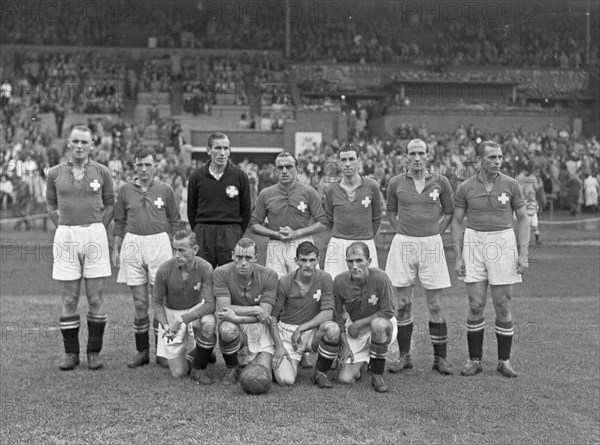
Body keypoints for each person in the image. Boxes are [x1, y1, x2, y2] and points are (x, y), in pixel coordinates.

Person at [452, 140, 529, 378]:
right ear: (479, 160)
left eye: (500, 157)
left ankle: (503, 361)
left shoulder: (511, 184)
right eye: (492, 158)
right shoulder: (465, 187)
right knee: (475, 304)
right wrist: (458, 256)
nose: (497, 161)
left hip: (503, 241)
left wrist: (523, 253)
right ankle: (474, 360)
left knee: (503, 304)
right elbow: (456, 222)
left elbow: (523, 219)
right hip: (474, 242)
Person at [46, 125, 115, 371]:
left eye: (84, 142)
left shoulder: (103, 172)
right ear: (68, 143)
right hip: (66, 235)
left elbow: (110, 205)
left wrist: (97, 228)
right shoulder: (54, 173)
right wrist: (64, 225)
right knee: (70, 297)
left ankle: (94, 353)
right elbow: (51, 204)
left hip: (94, 233)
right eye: (75, 141)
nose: (79, 146)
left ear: (91, 145)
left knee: (96, 298)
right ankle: (71, 353)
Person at [384, 138, 454, 375]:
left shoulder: (441, 181)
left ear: (428, 155)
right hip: (403, 244)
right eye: (411, 154)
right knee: (402, 304)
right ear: (405, 157)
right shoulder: (395, 183)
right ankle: (405, 357)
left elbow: (450, 211)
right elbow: (391, 211)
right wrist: (401, 230)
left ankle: (440, 359)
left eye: (420, 153)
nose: (416, 158)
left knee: (435, 304)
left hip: (431, 244)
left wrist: (436, 232)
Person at [112, 147, 183, 368]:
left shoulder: (166, 189)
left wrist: (177, 249)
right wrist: (116, 247)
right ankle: (142, 351)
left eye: (148, 165)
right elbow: (120, 221)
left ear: (155, 166)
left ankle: (162, 351)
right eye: (140, 165)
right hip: (133, 244)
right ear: (134, 166)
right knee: (140, 302)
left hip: (160, 244)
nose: (144, 169)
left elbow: (175, 220)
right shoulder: (125, 190)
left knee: (159, 301)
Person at [270, 242, 340, 388]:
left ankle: (320, 373)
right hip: (288, 335)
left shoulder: (325, 278)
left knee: (332, 329)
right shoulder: (284, 281)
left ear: (317, 260)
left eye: (312, 260)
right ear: (296, 261)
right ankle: (280, 360)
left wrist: (302, 328)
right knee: (286, 380)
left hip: (311, 331)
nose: (308, 265)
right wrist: (278, 346)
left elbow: (328, 313)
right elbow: (273, 317)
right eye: (303, 260)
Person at [250, 152, 328, 278]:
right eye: (280, 168)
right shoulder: (266, 194)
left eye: (289, 167)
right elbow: (254, 224)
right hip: (276, 244)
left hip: (302, 243)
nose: (284, 171)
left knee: (305, 283)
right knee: (276, 285)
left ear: (297, 169)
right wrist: (275, 234)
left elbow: (323, 223)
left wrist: (296, 233)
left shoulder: (308, 192)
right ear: (275, 171)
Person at [152, 230, 217, 382]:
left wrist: (182, 320)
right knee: (179, 373)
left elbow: (209, 304)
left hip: (196, 310)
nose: (176, 255)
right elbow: (156, 302)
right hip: (171, 313)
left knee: (208, 323)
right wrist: (166, 325)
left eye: (181, 250)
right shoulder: (164, 270)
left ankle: (199, 366)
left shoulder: (205, 267)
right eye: (174, 249)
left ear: (195, 250)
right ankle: (200, 353)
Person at [333, 242, 397, 393]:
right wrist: (345, 346)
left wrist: (359, 323)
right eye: (350, 261)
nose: (354, 266)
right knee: (345, 379)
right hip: (355, 330)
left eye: (359, 260)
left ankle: (377, 375)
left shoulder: (381, 278)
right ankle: (365, 362)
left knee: (378, 325)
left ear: (369, 261)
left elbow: (388, 311)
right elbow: (336, 316)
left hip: (382, 323)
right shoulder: (339, 281)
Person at [214, 238, 278, 385]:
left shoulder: (269, 275)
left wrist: (237, 317)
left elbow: (265, 315)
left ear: (256, 257)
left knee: (261, 375)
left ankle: (248, 359)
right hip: (234, 324)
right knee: (226, 328)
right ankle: (232, 367)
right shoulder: (220, 272)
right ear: (232, 255)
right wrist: (255, 309)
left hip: (259, 328)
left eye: (248, 258)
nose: (243, 262)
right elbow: (224, 309)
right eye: (239, 257)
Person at [187, 133, 251, 269]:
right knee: (202, 278)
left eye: (226, 148)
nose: (222, 153)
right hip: (203, 232)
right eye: (218, 148)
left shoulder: (240, 176)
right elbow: (191, 210)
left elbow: (246, 211)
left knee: (230, 279)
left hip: (230, 232)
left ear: (229, 151)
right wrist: (200, 231)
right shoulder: (196, 176)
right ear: (209, 150)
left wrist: (236, 232)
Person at [323, 143, 382, 279]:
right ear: (339, 162)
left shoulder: (372, 186)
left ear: (359, 161)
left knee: (368, 288)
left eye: (351, 159)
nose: (347, 164)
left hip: (365, 242)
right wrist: (342, 235)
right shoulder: (331, 189)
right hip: (338, 244)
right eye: (343, 160)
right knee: (335, 286)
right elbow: (329, 219)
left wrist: (365, 236)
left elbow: (376, 218)